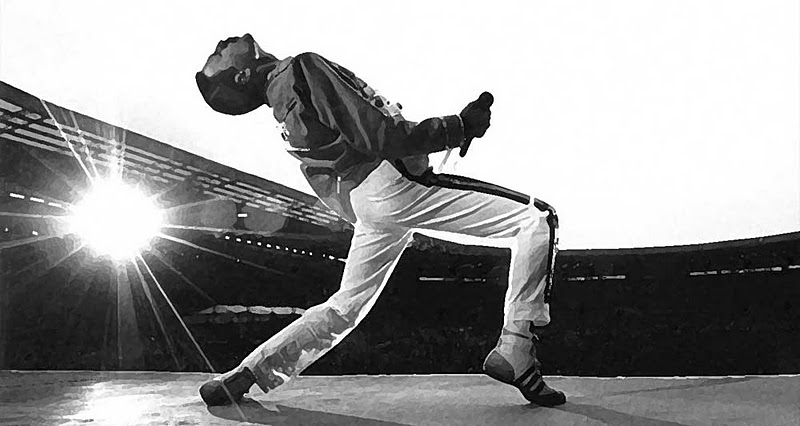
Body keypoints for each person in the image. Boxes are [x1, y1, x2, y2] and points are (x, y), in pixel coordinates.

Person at [194, 33, 566, 407]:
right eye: (218, 54)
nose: (222, 43)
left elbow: (338, 166)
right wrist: (459, 126)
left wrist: (448, 136)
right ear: (242, 75)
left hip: (368, 203)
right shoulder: (300, 68)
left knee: (343, 309)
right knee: (537, 219)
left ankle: (246, 373)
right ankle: (517, 346)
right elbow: (381, 136)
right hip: (391, 185)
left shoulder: (283, 106)